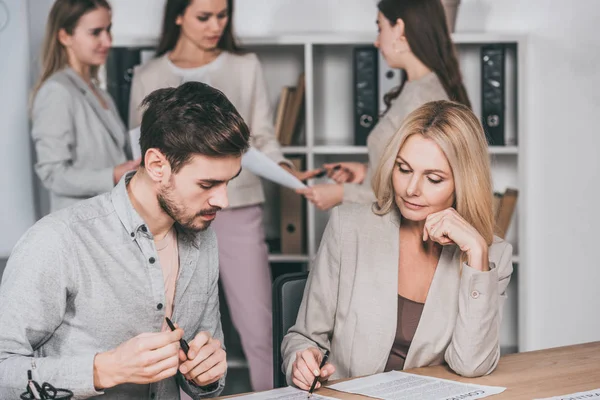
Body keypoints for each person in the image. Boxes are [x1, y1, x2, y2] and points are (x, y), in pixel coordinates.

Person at [0, 81, 250, 399]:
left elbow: (205, 377)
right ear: (157, 165)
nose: (223, 201)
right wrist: (104, 370)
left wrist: (207, 376)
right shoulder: (58, 240)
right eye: (207, 184)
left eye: (228, 182)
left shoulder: (203, 236)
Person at [128, 0, 317, 390]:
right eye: (204, 16)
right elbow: (142, 148)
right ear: (178, 15)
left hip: (241, 207)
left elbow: (263, 136)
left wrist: (282, 169)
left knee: (259, 323)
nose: (216, 25)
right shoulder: (149, 74)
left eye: (222, 15)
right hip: (168, 213)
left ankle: (273, 397)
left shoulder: (244, 66)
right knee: (168, 329)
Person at [282, 100, 513, 389]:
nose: (411, 189)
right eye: (404, 169)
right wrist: (300, 361)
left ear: (463, 182)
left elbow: (471, 365)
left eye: (433, 178)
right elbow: (303, 337)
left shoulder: (493, 256)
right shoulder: (348, 227)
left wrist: (477, 256)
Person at [297, 0, 471, 211]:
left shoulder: (424, 100)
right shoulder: (416, 88)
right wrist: (366, 171)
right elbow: (406, 169)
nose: (377, 42)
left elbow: (415, 194)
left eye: (380, 29)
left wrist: (342, 193)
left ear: (400, 29)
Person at [31, 0, 139, 213]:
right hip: (79, 225)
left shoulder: (100, 93)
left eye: (108, 30)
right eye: (95, 32)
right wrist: (112, 175)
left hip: (110, 219)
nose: (107, 41)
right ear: (65, 36)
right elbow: (52, 174)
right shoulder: (57, 91)